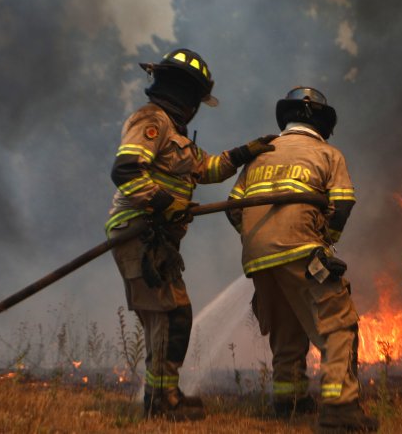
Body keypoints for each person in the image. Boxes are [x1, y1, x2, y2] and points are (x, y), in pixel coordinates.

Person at [106, 48, 276, 421]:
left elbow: (208, 168)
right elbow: (126, 170)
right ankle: (160, 401)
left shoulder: (176, 133)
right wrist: (163, 202)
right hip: (139, 232)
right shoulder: (151, 121)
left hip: (158, 237)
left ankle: (163, 394)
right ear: (186, 92)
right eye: (197, 99)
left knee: (170, 316)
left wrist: (245, 152)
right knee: (170, 315)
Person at [225, 87, 378, 432]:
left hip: (257, 258)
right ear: (322, 123)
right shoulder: (328, 154)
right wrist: (326, 242)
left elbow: (234, 209)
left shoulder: (259, 157)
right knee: (338, 325)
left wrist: (259, 240)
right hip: (302, 250)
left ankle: (288, 401)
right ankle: (339, 408)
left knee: (287, 330)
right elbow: (343, 205)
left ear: (287, 119)